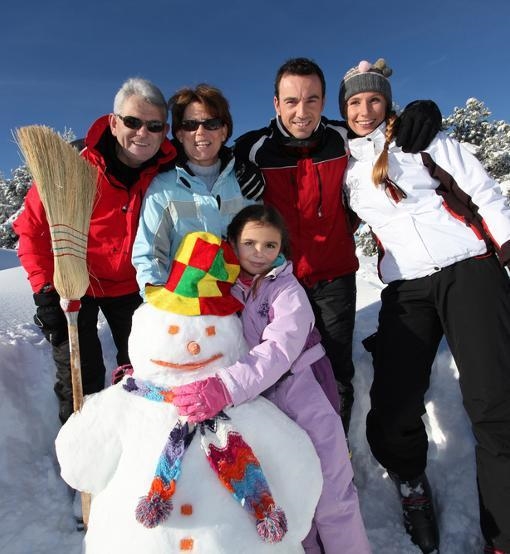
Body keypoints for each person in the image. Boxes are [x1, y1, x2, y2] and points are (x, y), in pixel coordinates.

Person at [341, 58, 510, 554]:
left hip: (469, 268)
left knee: (494, 404)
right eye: (354, 102)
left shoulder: (423, 138)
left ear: (387, 102)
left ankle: (502, 537)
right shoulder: (346, 166)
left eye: (374, 99)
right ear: (344, 112)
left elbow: (485, 190)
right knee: (393, 405)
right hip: (406, 286)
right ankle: (411, 480)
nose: (365, 110)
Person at [233, 57, 442, 435]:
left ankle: (335, 447)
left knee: (334, 367)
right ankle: (285, 450)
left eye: (312, 100)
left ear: (325, 101)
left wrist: (422, 110)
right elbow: (200, 154)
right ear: (276, 104)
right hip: (279, 280)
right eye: (291, 101)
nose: (302, 111)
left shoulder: (344, 138)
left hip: (335, 279)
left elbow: (388, 128)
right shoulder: (251, 149)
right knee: (276, 364)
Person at [171, 204, 371, 554]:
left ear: (282, 249)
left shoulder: (286, 291)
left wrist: (225, 387)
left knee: (329, 488)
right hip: (257, 400)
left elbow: (279, 350)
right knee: (289, 488)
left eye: (270, 245)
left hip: (304, 388)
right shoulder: (227, 288)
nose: (259, 253)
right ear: (233, 243)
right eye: (250, 243)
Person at [13, 77, 177, 424]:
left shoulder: (168, 173)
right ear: (114, 122)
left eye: (154, 125)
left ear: (164, 132)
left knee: (145, 364)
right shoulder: (74, 167)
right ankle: (80, 458)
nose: (142, 133)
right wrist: (44, 289)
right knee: (80, 373)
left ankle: (137, 436)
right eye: (132, 121)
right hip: (76, 281)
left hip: (133, 285)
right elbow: (30, 231)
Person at [132, 83, 262, 292]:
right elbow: (149, 255)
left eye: (211, 123)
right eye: (190, 125)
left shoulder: (246, 183)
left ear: (224, 131)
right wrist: (160, 300)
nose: (200, 132)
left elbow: (262, 242)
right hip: (185, 306)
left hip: (240, 304)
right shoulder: (162, 187)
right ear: (180, 134)